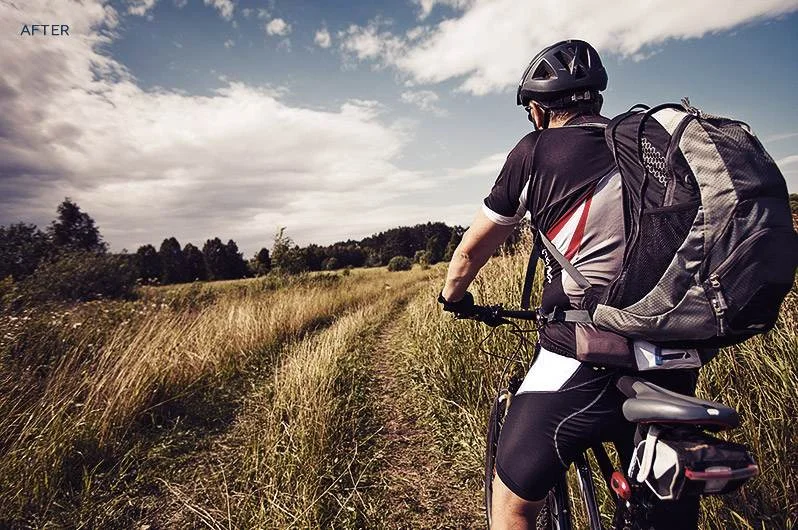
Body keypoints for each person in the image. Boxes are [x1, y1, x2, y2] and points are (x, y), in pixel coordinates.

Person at [438, 40, 700, 529]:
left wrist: (452, 296)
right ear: (597, 99)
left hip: (586, 353)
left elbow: (472, 251)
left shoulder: (534, 151)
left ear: (537, 110)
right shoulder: (653, 146)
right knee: (665, 497)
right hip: (677, 347)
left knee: (512, 499)